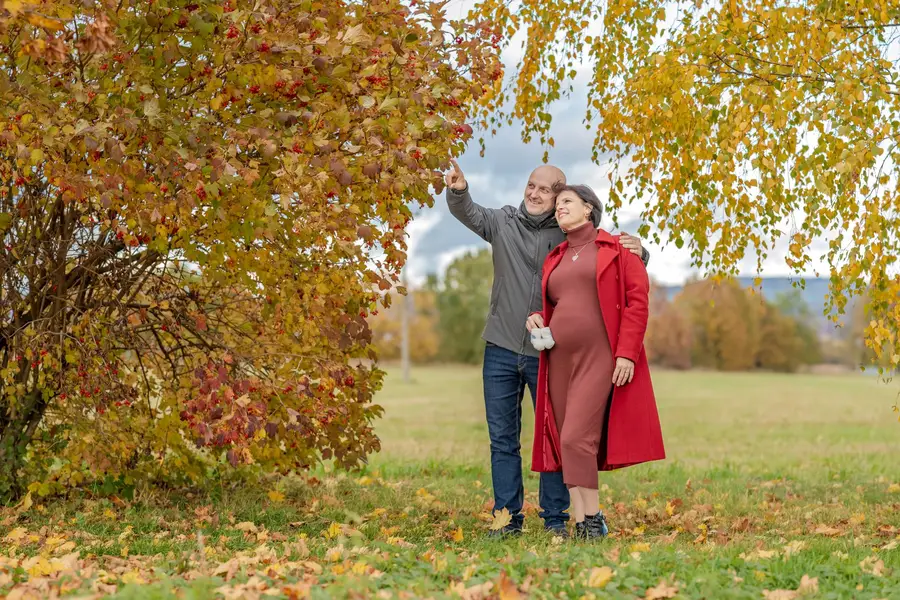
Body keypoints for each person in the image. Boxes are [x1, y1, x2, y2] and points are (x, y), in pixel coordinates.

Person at [444, 160, 650, 538]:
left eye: (545, 189)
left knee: (555, 434)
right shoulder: (503, 222)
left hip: (551, 355)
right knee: (502, 438)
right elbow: (468, 212)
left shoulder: (569, 232)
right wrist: (459, 190)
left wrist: (642, 251)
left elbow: (611, 261)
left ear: (560, 196)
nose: (534, 193)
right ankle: (507, 518)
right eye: (530, 185)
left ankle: (556, 519)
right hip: (502, 346)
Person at [526, 184, 665, 541]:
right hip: (558, 358)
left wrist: (626, 353)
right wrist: (538, 317)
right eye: (557, 205)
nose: (559, 209)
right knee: (565, 440)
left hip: (599, 356)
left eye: (567, 202)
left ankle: (590, 520)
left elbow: (637, 301)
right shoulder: (555, 256)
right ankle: (586, 521)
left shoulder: (617, 249)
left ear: (589, 209)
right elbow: (560, 304)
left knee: (576, 436)